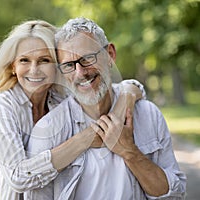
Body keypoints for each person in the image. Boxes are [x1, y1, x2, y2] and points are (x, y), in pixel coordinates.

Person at [26, 17, 186, 199]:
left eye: (87, 58)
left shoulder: (148, 114)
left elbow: (174, 196)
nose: (80, 73)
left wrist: (130, 152)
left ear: (110, 54)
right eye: (69, 65)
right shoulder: (49, 130)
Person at [0, 19, 144, 200]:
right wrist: (86, 138)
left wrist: (128, 95)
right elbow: (18, 177)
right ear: (13, 66)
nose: (34, 70)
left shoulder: (59, 99)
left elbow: (125, 88)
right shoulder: (3, 106)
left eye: (44, 60)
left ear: (58, 66)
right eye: (24, 60)